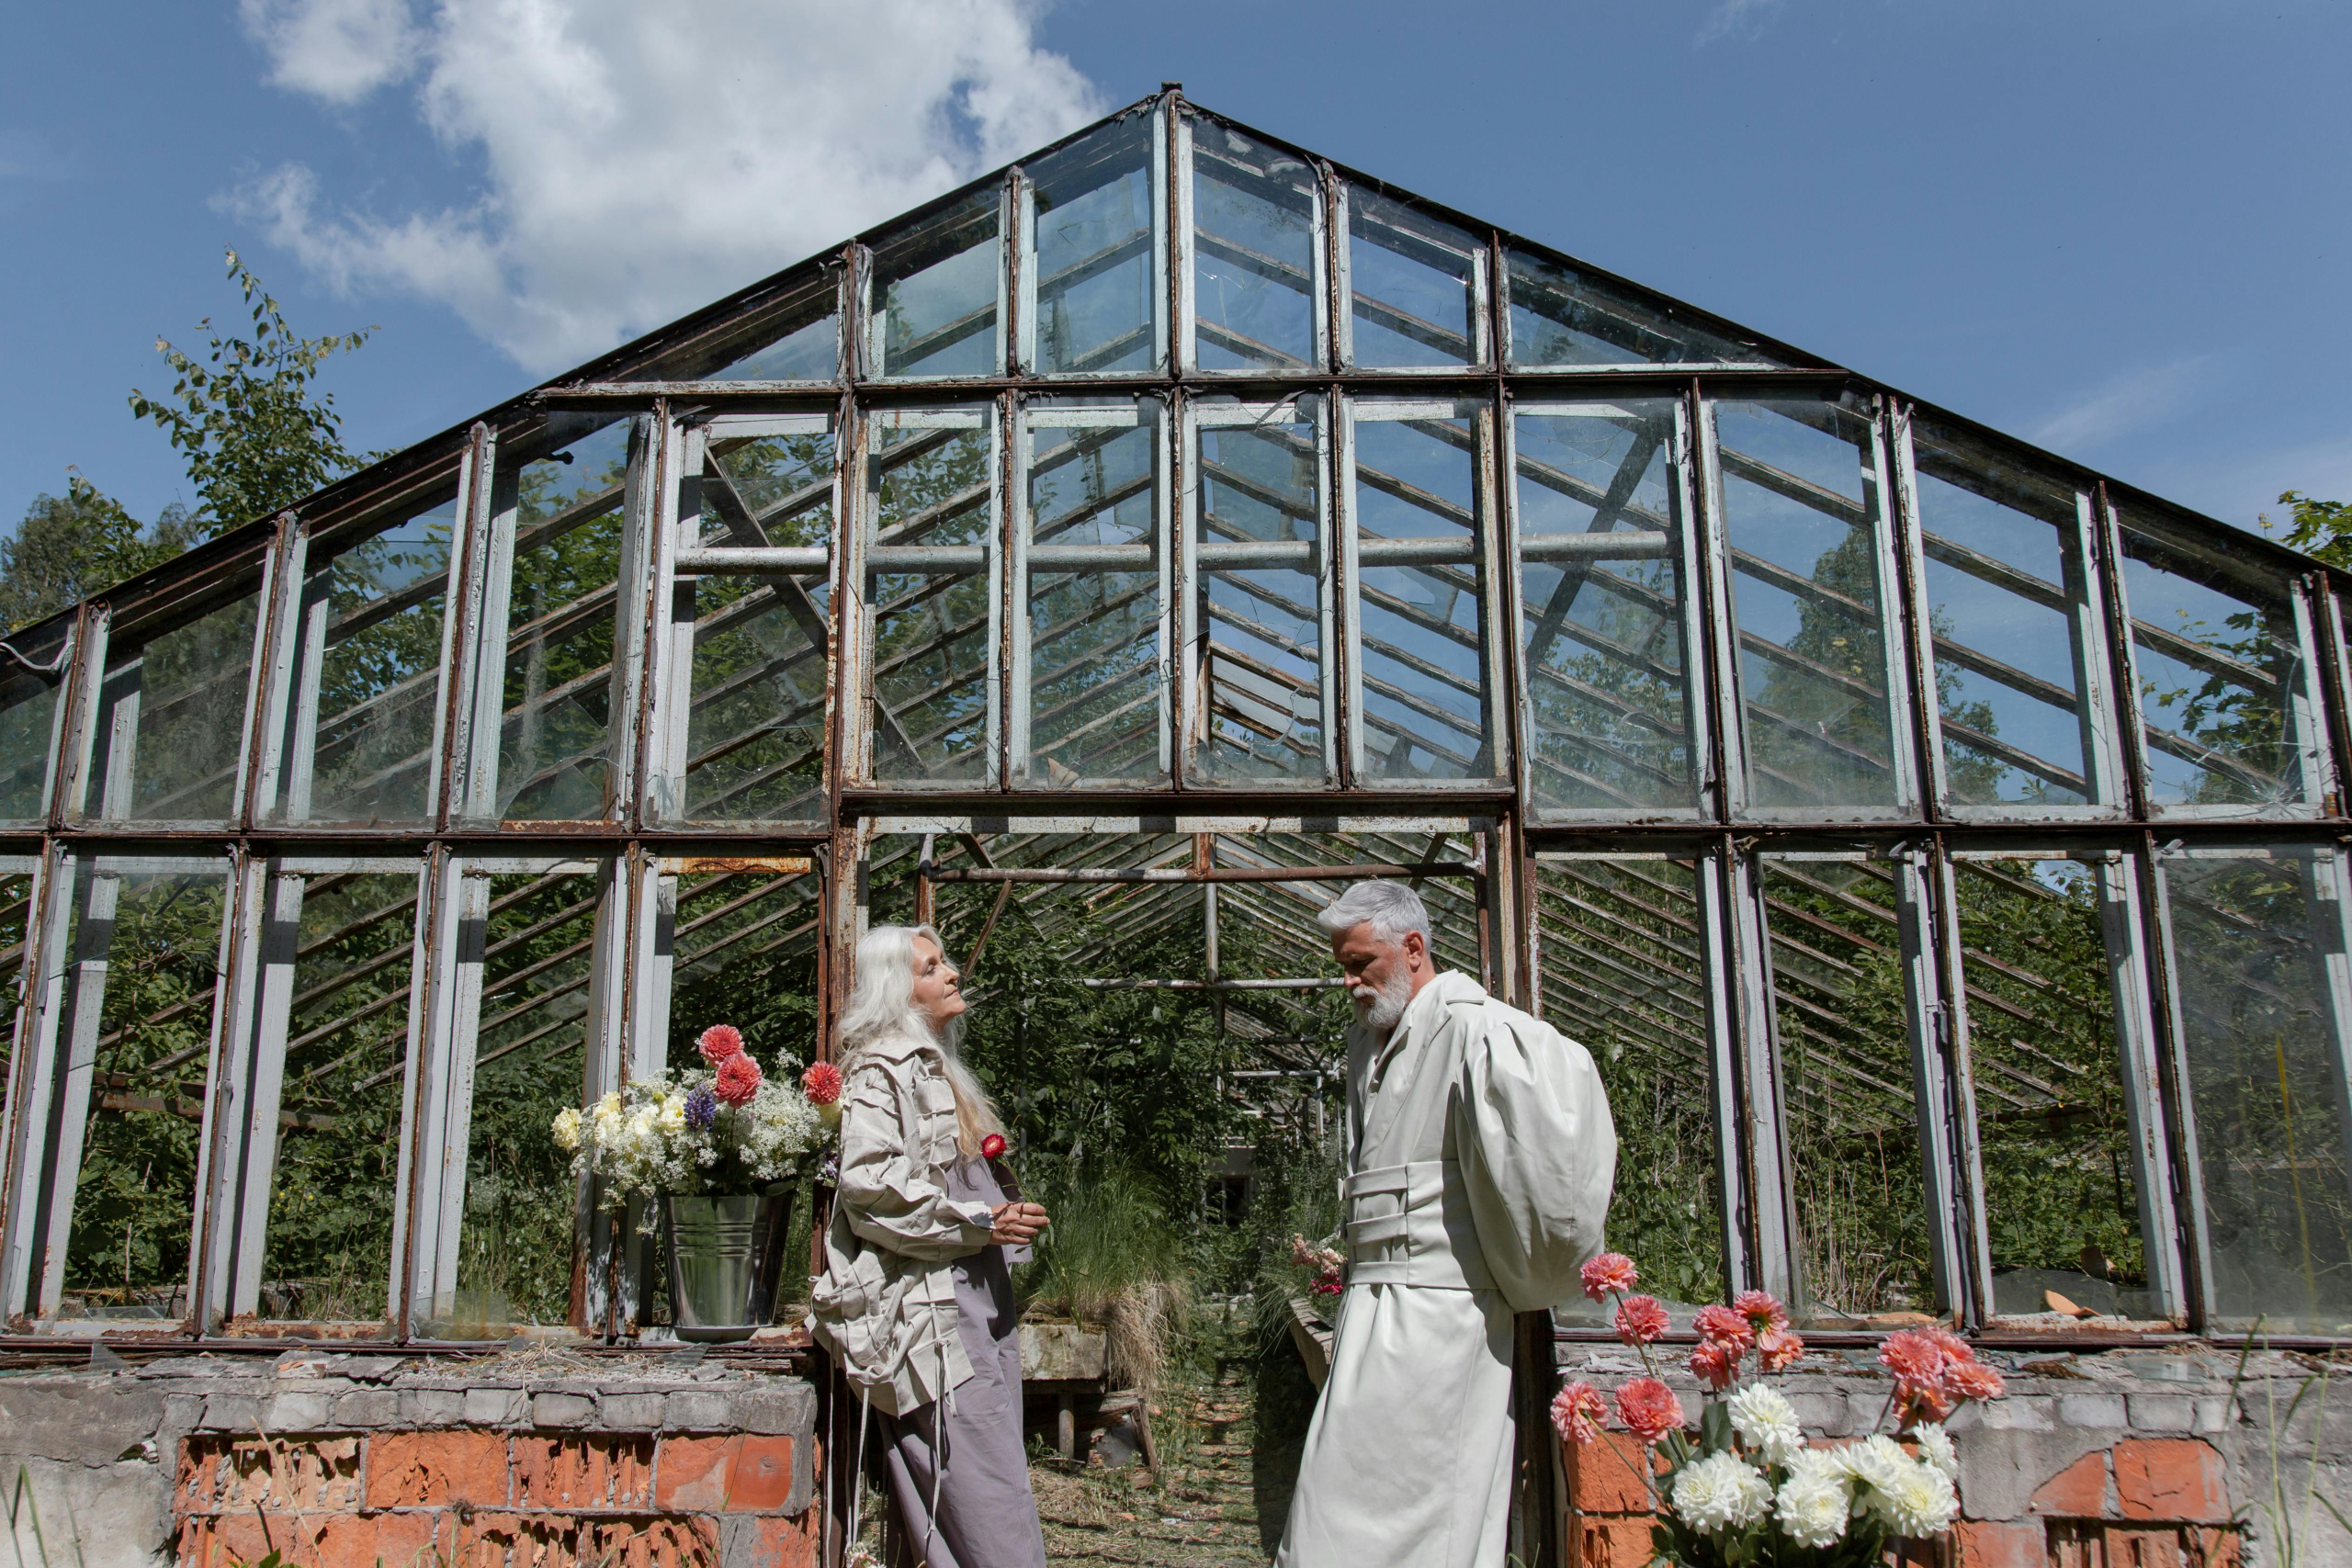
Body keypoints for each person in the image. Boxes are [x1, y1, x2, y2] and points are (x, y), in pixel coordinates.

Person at [1276, 881, 1617, 1568]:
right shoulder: (1370, 1042)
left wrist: (1526, 1272)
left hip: (1442, 1323)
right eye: (1341, 965)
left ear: (1413, 947)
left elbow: (1544, 1173)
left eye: (1360, 962)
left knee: (1423, 1522)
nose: (1348, 981)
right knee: (1331, 1516)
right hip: (1374, 1314)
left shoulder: (1478, 1030)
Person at [809, 924, 1052, 1568]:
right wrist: (981, 1222)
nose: (950, 974)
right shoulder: (884, 1067)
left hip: (969, 1300)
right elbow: (869, 1190)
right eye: (930, 967)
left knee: (986, 1472)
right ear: (898, 989)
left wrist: (998, 1215)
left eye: (945, 962)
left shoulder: (930, 1063)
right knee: (978, 1487)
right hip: (935, 1311)